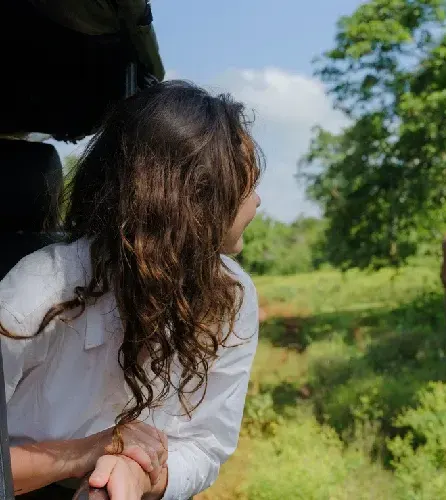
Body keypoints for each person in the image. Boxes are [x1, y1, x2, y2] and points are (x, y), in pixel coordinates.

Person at [0, 79, 264, 499]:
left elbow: (206, 443)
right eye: (244, 184)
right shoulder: (38, 291)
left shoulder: (231, 294)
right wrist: (87, 452)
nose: (257, 202)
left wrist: (144, 475)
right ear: (193, 194)